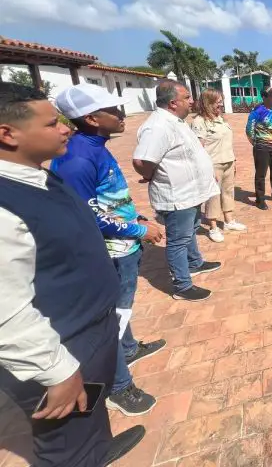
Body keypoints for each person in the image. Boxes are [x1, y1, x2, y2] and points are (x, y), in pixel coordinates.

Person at [0, 84, 144, 466]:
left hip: (88, 330)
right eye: (52, 124)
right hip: (60, 349)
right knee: (66, 445)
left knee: (88, 421)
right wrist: (56, 371)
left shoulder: (37, 176)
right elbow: (5, 310)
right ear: (7, 134)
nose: (66, 128)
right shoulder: (5, 204)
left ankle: (98, 448)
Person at [51, 84, 166, 417]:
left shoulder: (95, 146)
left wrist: (135, 214)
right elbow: (90, 217)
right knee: (110, 320)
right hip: (111, 251)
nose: (122, 115)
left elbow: (105, 200)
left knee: (121, 310)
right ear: (91, 118)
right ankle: (118, 385)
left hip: (123, 243)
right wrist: (141, 229)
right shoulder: (78, 158)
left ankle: (128, 349)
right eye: (113, 111)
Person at [133, 80, 221, 302]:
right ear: (173, 103)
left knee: (189, 230)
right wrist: (151, 175)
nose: (192, 101)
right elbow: (142, 160)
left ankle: (195, 263)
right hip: (177, 194)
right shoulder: (158, 126)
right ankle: (182, 285)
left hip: (191, 192)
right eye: (187, 97)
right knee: (178, 240)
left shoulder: (176, 121)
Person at [191, 88, 246, 240]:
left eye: (221, 101)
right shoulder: (199, 122)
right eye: (218, 102)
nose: (221, 105)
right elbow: (198, 149)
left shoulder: (221, 119)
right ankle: (213, 227)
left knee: (228, 192)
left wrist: (233, 160)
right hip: (213, 165)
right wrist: (208, 168)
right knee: (213, 196)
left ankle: (229, 221)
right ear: (207, 103)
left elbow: (227, 142)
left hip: (227, 161)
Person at [246, 87, 272, 211]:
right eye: (271, 96)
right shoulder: (257, 111)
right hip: (261, 147)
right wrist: (256, 143)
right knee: (261, 174)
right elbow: (249, 130)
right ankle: (260, 199)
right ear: (264, 97)